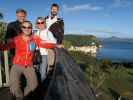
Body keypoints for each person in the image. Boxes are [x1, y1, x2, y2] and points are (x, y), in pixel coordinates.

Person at [0, 21, 56, 100]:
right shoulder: (16, 39)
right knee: (14, 86)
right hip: (17, 65)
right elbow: (6, 46)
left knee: (34, 86)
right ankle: (19, 97)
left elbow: (44, 44)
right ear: (21, 28)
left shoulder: (35, 38)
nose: (27, 29)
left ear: (31, 28)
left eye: (29, 27)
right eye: (24, 27)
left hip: (29, 66)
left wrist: (56, 45)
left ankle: (26, 96)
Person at [35, 17, 56, 82]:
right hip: (37, 54)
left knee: (43, 72)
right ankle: (38, 85)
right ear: (36, 24)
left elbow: (54, 42)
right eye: (38, 23)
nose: (40, 24)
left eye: (42, 22)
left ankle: (43, 87)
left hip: (45, 54)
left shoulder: (48, 32)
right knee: (37, 71)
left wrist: (43, 42)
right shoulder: (36, 32)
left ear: (44, 23)